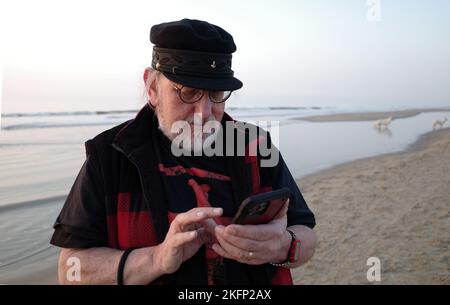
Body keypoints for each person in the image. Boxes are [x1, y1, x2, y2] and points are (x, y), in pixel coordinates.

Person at [50, 18, 316, 285]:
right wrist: (157, 258)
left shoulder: (256, 146)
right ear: (152, 88)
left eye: (216, 94)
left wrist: (283, 246)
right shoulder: (109, 155)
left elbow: (306, 236)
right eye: (188, 92)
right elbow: (70, 270)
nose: (204, 113)